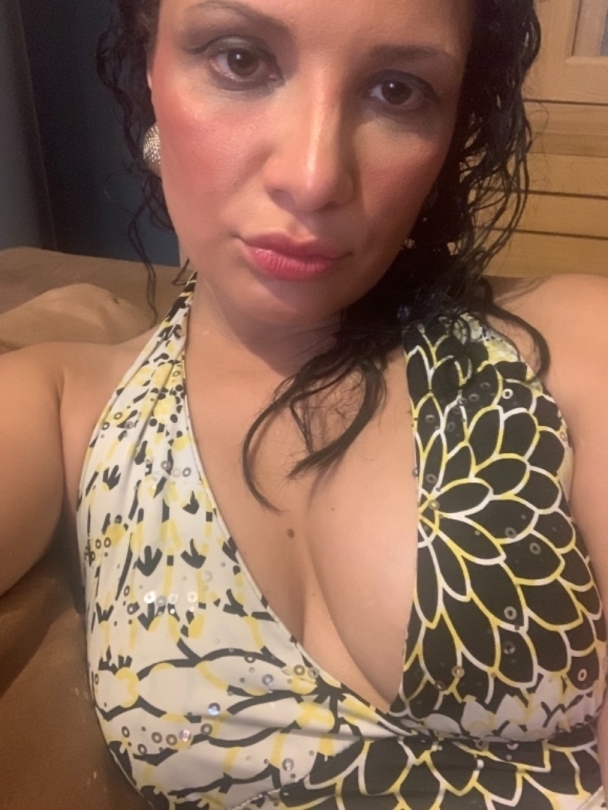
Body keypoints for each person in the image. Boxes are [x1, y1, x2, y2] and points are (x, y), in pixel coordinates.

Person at [2, 0, 608, 807]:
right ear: (151, 64)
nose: (315, 176)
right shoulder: (62, 403)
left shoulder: (570, 346)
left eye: (397, 90)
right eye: (241, 59)